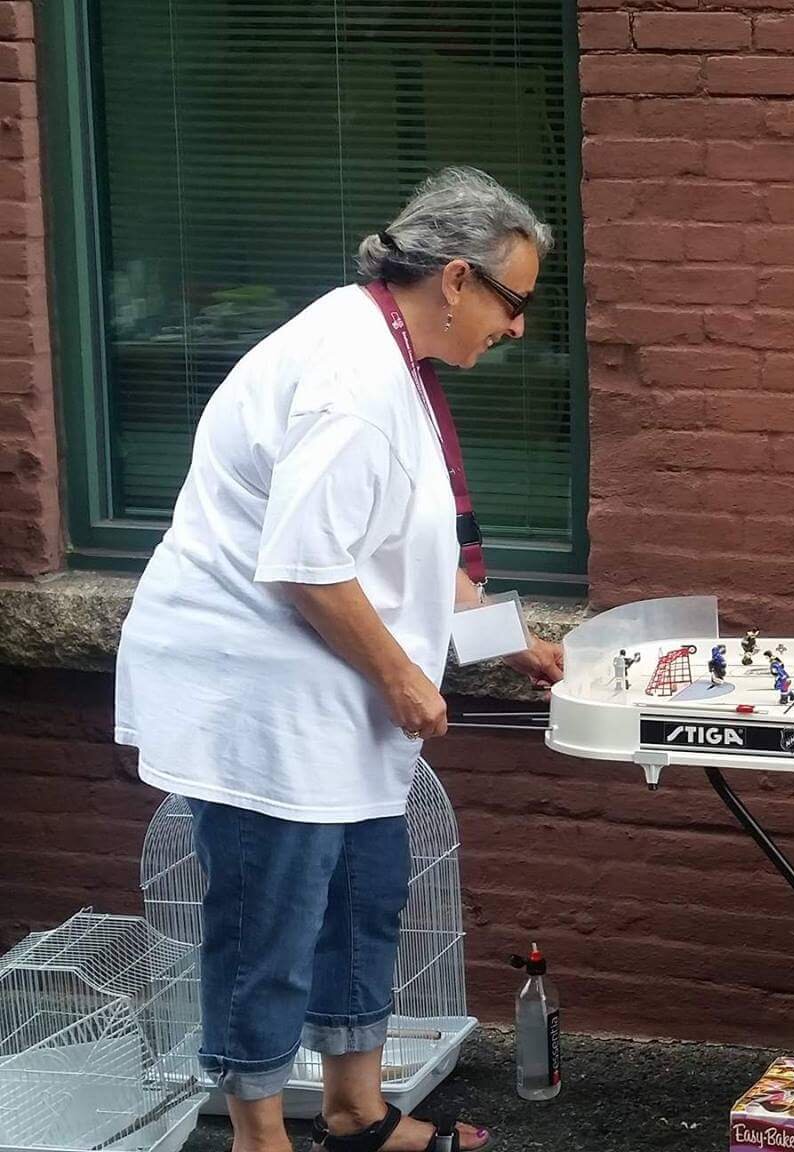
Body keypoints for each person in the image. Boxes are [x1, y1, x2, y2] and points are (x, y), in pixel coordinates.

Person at [113, 167, 563, 1152]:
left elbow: (408, 547)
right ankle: (258, 1134)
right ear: (455, 279)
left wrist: (503, 642)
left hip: (331, 691)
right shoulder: (355, 380)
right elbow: (309, 567)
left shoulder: (389, 354)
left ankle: (357, 1113)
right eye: (514, 302)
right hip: (259, 694)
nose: (519, 326)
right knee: (265, 921)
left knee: (366, 894)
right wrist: (404, 676)